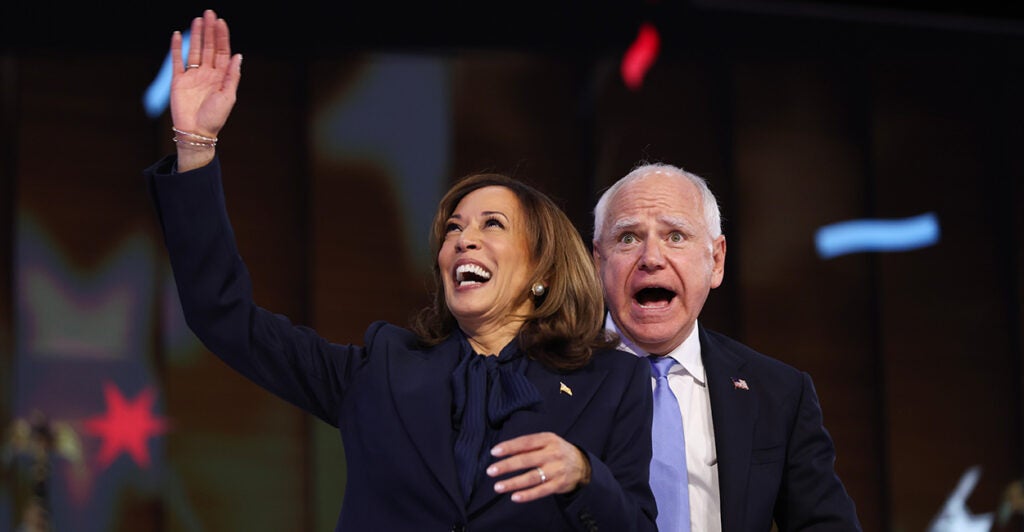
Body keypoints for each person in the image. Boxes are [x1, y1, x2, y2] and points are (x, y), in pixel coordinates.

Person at [144, 10, 657, 532]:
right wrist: (194, 147)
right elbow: (223, 316)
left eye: (492, 224)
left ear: (541, 269)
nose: (464, 239)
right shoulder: (383, 370)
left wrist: (585, 475)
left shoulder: (613, 383)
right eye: (453, 229)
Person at [592, 163, 862, 531]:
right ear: (597, 261)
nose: (651, 258)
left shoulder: (779, 392)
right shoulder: (544, 376)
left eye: (675, 236)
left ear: (716, 260)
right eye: (628, 238)